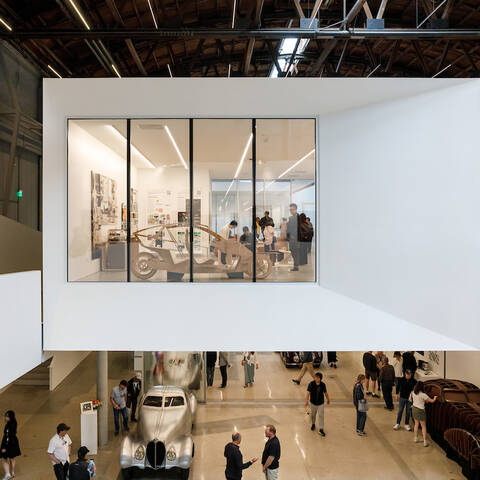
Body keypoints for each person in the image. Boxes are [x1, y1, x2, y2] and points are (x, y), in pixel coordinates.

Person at [410, 381, 437, 447]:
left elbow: (410, 400)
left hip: (414, 409)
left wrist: (417, 401)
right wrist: (435, 397)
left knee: (416, 424)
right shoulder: (423, 395)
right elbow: (432, 401)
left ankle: (415, 438)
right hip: (420, 410)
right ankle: (425, 441)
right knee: (423, 426)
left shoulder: (412, 392)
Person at [1, 411, 21, 480]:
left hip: (8, 444)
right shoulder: (14, 422)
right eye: (5, 416)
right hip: (14, 443)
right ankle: (12, 472)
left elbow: (7, 437)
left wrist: (4, 447)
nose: (6, 418)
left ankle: (7, 474)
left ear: (11, 417)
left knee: (4, 459)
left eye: (7, 416)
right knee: (12, 458)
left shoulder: (9, 426)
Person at [286, 203, 301, 271]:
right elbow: (289, 228)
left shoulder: (298, 217)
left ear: (296, 209)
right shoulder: (291, 218)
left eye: (292, 209)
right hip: (291, 239)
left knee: (295, 252)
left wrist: (294, 236)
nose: (291, 211)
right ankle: (296, 265)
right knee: (292, 251)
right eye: (290, 210)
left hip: (296, 238)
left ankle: (296, 266)